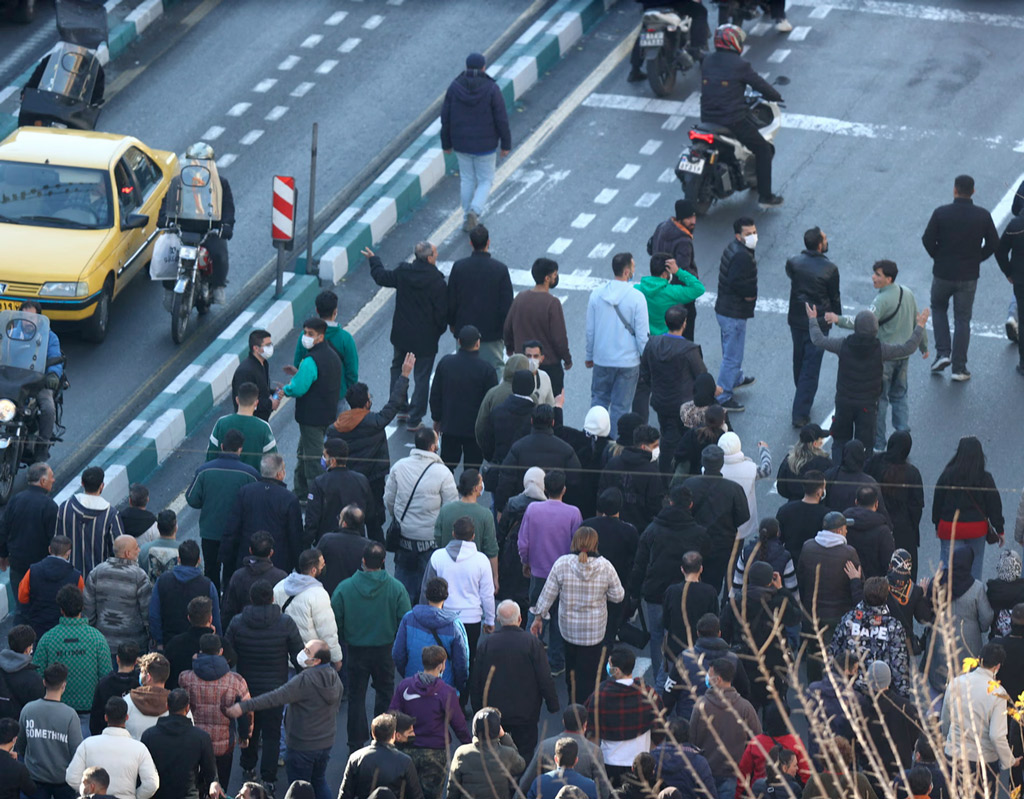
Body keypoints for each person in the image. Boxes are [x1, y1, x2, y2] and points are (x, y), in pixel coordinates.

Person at [826, 261, 929, 450]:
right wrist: (924, 345)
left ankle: (879, 444)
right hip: (902, 357)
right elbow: (918, 321)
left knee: (880, 401)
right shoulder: (907, 293)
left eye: (878, 275)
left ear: (888, 279)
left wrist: (837, 319)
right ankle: (902, 437)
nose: (873, 277)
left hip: (885, 358)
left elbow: (863, 322)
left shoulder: (881, 301)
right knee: (900, 396)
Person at [807, 303, 928, 459]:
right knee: (865, 446)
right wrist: (920, 326)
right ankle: (862, 475)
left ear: (856, 328)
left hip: (844, 403)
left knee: (840, 441)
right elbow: (907, 348)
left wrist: (812, 319)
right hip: (867, 407)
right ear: (875, 330)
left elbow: (818, 340)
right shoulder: (881, 350)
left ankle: (836, 474)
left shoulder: (842, 345)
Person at [227, 640, 342, 799]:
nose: (302, 652)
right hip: (325, 742)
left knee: (299, 789)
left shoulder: (304, 680)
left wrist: (244, 706)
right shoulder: (334, 678)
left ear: (316, 661)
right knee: (319, 781)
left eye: (307, 651)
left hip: (302, 745)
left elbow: (275, 697)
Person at [531, 527, 624, 704]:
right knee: (590, 674)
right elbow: (618, 596)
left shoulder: (562, 564)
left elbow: (547, 594)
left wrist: (538, 618)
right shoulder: (606, 566)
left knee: (571, 670)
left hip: (569, 630)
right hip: (594, 632)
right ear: (595, 544)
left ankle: (573, 704)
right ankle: (589, 708)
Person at [331, 542, 411, 751]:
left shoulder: (345, 588)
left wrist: (344, 637)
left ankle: (356, 743)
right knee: (385, 694)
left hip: (356, 650)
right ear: (384, 561)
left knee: (356, 697)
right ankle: (383, 737)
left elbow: (335, 620)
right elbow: (405, 620)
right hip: (385, 650)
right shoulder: (396, 588)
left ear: (363, 561)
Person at [225, 579, 301, 792]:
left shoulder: (238, 622)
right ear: (272, 598)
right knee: (272, 733)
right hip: (276, 688)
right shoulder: (285, 622)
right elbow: (298, 654)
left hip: (246, 687)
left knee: (249, 729)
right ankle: (269, 777)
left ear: (251, 598)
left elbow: (228, 654)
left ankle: (248, 767)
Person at [328, 357, 414, 543]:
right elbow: (394, 404)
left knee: (353, 519)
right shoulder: (375, 422)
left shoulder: (335, 428)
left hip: (348, 480)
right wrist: (404, 375)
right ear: (367, 403)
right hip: (374, 479)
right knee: (375, 522)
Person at [923, 174, 1000, 382]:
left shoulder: (941, 213)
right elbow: (994, 244)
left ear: (954, 189)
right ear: (973, 191)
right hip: (968, 276)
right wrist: (977, 259)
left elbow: (927, 239)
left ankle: (942, 353)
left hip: (943, 273)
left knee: (938, 309)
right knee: (962, 319)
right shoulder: (982, 216)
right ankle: (959, 367)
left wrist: (938, 256)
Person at [630, 486, 711, 681]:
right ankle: (683, 677)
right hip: (686, 593)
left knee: (657, 635)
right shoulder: (699, 533)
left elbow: (639, 563)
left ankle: (661, 677)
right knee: (684, 634)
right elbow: (707, 558)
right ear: (690, 505)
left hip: (656, 591)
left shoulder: (652, 529)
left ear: (670, 502)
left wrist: (634, 591)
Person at [365, 243, 447, 431]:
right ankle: (415, 418)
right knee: (422, 377)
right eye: (435, 253)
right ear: (429, 258)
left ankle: (400, 406)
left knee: (398, 369)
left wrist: (374, 260)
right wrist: (437, 332)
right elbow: (443, 313)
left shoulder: (403, 272)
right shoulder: (437, 282)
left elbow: (381, 277)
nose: (437, 254)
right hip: (426, 340)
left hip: (402, 336)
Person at [700, 25, 784, 207]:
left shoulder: (707, 61)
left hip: (707, 119)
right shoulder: (740, 65)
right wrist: (776, 96)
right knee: (763, 149)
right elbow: (760, 85)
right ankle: (766, 197)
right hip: (732, 120)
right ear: (734, 42)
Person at [472, 600, 559, 760]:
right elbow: (544, 677)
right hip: (526, 712)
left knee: (494, 754)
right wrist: (552, 703)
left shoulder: (486, 644)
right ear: (519, 619)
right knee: (525, 752)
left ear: (498, 620)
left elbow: (476, 679)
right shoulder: (532, 643)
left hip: (494, 713)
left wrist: (477, 708)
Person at [518, 469, 582, 676]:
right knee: (558, 618)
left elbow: (523, 542)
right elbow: (577, 546)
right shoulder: (573, 513)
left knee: (536, 612)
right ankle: (556, 661)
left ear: (544, 488)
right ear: (564, 489)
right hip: (564, 574)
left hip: (539, 572)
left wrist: (525, 562)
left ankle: (529, 657)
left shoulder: (533, 509)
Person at [385, 428, 459, 602]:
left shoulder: (399, 466)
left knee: (403, 591)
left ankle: (403, 623)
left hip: (404, 538)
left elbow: (389, 499)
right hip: (430, 541)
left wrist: (398, 518)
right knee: (431, 592)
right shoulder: (443, 473)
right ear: (434, 447)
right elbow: (451, 508)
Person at [441, 52, 512, 232]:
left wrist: (446, 143)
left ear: (466, 67)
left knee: (466, 179)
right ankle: (475, 210)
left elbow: (445, 118)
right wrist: (506, 144)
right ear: (483, 68)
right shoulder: (491, 88)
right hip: (486, 146)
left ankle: (467, 217)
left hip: (461, 144)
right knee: (486, 180)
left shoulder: (454, 87)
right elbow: (501, 119)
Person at [635, 304, 708, 473]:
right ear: (684, 324)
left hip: (662, 402)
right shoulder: (689, 349)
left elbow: (644, 371)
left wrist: (655, 387)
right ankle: (686, 473)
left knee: (667, 440)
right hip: (685, 406)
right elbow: (702, 376)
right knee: (689, 440)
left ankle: (666, 477)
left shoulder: (653, 343)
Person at [940, 643, 1020, 797]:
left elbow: (946, 720)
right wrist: (1010, 761)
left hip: (954, 755)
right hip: (982, 762)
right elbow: (996, 735)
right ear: (997, 666)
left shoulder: (955, 683)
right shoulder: (998, 693)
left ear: (979, 659)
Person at [160, 141, 234, 305]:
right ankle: (168, 288)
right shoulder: (177, 182)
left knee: (219, 253)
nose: (197, 166)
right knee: (168, 255)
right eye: (193, 162)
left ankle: (217, 287)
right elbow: (167, 202)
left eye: (202, 162)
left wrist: (226, 226)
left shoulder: (221, 184)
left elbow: (228, 208)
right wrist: (164, 218)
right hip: (183, 230)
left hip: (208, 232)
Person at [186, 430, 260, 590]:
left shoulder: (204, 471)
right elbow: (256, 503)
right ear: (240, 449)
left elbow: (192, 499)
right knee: (232, 572)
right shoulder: (250, 474)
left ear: (221, 446)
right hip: (236, 533)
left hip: (210, 532)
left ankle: (211, 604)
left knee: (211, 570)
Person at [421, 517, 495, 678]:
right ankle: (462, 698)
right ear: (473, 536)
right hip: (472, 620)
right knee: (467, 663)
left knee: (440, 661)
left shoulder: (437, 557)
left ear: (453, 534)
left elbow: (426, 590)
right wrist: (490, 620)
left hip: (442, 619)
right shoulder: (482, 560)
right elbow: (487, 594)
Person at [796, 511, 864, 683]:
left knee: (814, 652)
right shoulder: (848, 553)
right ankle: (838, 686)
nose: (847, 532)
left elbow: (801, 581)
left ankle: (814, 686)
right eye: (845, 529)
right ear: (839, 530)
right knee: (840, 653)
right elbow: (857, 583)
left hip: (813, 613)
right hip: (839, 614)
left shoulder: (808, 547)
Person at [585, 252, 650, 432]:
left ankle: (594, 440)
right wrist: (646, 360)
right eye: (634, 268)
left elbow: (590, 331)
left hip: (602, 359)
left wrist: (589, 355)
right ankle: (614, 447)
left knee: (598, 402)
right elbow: (642, 336)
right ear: (627, 271)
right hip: (628, 362)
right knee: (621, 408)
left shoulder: (597, 295)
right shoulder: (637, 297)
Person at [390, 644, 471, 786]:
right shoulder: (447, 692)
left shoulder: (404, 686)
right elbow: (459, 724)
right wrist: (470, 746)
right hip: (436, 752)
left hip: (407, 749)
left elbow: (392, 716)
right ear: (441, 666)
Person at [177, 635, 251, 790]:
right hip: (224, 745)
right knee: (220, 788)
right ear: (221, 651)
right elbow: (246, 712)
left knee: (195, 788)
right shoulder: (236, 681)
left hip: (194, 743)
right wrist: (245, 735)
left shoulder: (185, 678)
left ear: (200, 651)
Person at [785, 227, 841, 427]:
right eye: (824, 238)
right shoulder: (830, 269)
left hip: (797, 319)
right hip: (818, 321)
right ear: (819, 244)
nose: (826, 241)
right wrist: (837, 316)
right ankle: (800, 411)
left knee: (799, 359)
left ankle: (802, 394)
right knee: (811, 366)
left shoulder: (794, 263)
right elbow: (834, 296)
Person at [282, 318, 343, 497]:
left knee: (313, 459)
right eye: (305, 333)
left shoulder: (310, 361)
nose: (306, 337)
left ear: (320, 337)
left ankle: (316, 496)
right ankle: (300, 492)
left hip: (311, 418)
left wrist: (284, 390)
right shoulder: (332, 355)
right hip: (328, 414)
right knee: (303, 452)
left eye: (310, 334)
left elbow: (299, 388)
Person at [923, 546, 994, 698]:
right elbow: (986, 617)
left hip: (941, 643)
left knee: (941, 687)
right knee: (968, 689)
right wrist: (980, 628)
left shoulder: (937, 583)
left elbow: (928, 612)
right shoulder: (976, 588)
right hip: (969, 645)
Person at [584, 648, 662, 784]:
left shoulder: (602, 694)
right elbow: (659, 730)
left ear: (617, 670)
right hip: (641, 763)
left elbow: (590, 731)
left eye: (610, 664)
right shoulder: (648, 694)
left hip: (610, 762)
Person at [221, 453, 304, 579]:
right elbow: (295, 536)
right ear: (279, 474)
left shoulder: (245, 492)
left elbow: (233, 527)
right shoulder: (289, 499)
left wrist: (227, 558)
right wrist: (299, 567)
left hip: (247, 561)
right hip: (278, 565)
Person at [681, 444, 750, 596]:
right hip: (722, 544)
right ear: (721, 463)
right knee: (714, 583)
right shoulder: (733, 488)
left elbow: (683, 510)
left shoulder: (689, 485)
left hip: (694, 542)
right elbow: (743, 516)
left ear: (703, 462)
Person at [688, 657, 761, 799]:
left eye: (710, 674)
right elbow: (757, 740)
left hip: (706, 772)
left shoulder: (701, 706)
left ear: (718, 679)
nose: (707, 677)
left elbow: (692, 739)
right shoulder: (745, 708)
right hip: (734, 774)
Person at [932, 436, 1003, 580]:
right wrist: (999, 529)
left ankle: (948, 599)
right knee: (975, 570)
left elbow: (938, 502)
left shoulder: (947, 475)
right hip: (976, 529)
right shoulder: (984, 478)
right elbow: (994, 504)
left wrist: (936, 524)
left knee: (948, 569)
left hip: (949, 527)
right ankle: (973, 600)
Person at [827, 576, 911, 697]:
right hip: (880, 693)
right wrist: (903, 700)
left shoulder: (848, 619)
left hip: (851, 692)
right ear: (886, 598)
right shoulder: (893, 626)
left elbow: (834, 653)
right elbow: (899, 664)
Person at [33, 586, 110, 715]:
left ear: (61, 610)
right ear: (82, 607)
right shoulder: (97, 639)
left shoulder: (48, 639)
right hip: (89, 710)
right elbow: (105, 677)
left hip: (56, 710)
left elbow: (37, 676)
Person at [430, 325, 499, 469]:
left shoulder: (446, 363)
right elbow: (491, 402)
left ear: (459, 342)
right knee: (472, 469)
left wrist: (437, 418)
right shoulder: (487, 369)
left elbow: (436, 394)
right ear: (478, 343)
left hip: (450, 427)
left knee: (446, 467)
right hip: (475, 430)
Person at [65, 696, 159, 799]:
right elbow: (152, 784)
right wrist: (136, 796)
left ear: (106, 717)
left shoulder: (87, 744)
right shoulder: (139, 748)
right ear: (127, 717)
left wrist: (88, 793)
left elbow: (72, 778)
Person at [448, 225, 514, 370]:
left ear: (471, 243)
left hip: (464, 332)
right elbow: (507, 306)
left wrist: (453, 324)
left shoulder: (459, 267)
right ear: (488, 242)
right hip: (492, 333)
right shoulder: (500, 269)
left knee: (463, 369)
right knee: (494, 368)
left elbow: (451, 300)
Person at [504, 258, 573, 396]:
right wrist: (567, 359)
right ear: (547, 278)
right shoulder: (552, 303)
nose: (556, 277)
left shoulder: (520, 298)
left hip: (522, 364)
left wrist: (510, 348)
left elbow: (507, 327)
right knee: (551, 406)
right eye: (554, 275)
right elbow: (559, 337)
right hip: (549, 366)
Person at [496, 404, 582, 515]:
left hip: (523, 510)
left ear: (532, 421)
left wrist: (500, 508)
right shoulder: (566, 450)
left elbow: (506, 481)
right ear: (552, 423)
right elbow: (575, 483)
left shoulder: (518, 448)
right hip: (555, 512)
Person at [713, 218, 760, 413]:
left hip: (726, 309)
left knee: (730, 350)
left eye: (754, 232)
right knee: (732, 356)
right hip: (733, 312)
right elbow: (735, 282)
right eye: (748, 234)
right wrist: (749, 295)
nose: (753, 236)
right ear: (738, 236)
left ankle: (736, 378)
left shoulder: (735, 248)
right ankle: (723, 396)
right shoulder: (741, 256)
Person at [582, 489, 638, 648]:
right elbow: (634, 559)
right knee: (611, 624)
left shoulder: (587, 525)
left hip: (589, 580)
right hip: (617, 583)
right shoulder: (629, 531)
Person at [393, 577, 470, 692]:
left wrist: (407, 674)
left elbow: (398, 654)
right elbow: (461, 662)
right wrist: (459, 686)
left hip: (413, 682)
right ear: (445, 596)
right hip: (443, 686)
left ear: (426, 595)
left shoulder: (409, 618)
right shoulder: (454, 626)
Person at [0, 462, 57, 616]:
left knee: (21, 607)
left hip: (17, 564)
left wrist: (3, 555)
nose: (54, 480)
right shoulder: (50, 506)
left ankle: (21, 636)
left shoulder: (15, 500)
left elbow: (4, 529)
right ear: (43, 481)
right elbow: (54, 539)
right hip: (41, 566)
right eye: (51, 477)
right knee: (40, 608)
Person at [866, 431, 925, 580]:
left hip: (876, 523)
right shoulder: (912, 473)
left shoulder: (875, 463)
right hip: (903, 530)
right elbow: (916, 505)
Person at [140, 688, 218, 799]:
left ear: (167, 706)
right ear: (187, 708)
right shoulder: (201, 737)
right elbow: (210, 772)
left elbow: (143, 771)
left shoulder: (149, 735)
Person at [16, 662, 79, 799]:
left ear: (44, 682)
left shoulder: (28, 710)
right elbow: (77, 751)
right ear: (64, 685)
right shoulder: (70, 715)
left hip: (35, 778)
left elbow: (20, 745)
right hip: (63, 780)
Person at [520, 705, 610, 799]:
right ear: (585, 725)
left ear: (563, 721)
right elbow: (603, 788)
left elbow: (526, 782)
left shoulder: (545, 746)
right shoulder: (594, 751)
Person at [287, 290, 358, 407]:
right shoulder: (346, 339)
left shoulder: (305, 336)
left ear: (317, 310)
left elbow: (298, 364)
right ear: (335, 311)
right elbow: (352, 373)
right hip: (337, 397)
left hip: (310, 398)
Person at [274, 548, 342, 668]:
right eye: (322, 564)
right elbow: (327, 631)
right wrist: (336, 658)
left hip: (286, 656)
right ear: (314, 570)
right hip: (311, 659)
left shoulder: (280, 587)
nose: (324, 566)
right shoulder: (318, 594)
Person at [84, 535, 150, 657]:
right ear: (127, 553)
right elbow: (146, 611)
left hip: (103, 643)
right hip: (133, 645)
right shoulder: (139, 576)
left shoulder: (97, 572)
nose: (139, 550)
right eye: (136, 548)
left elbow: (88, 609)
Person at [150, 539, 221, 651]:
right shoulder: (208, 585)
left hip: (169, 644)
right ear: (198, 560)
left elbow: (154, 615)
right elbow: (216, 619)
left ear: (179, 559)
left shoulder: (162, 581)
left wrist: (159, 642)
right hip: (200, 647)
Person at [56, 466, 124, 577]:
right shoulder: (110, 515)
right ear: (102, 486)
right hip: (99, 578)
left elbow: (56, 540)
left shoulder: (65, 507)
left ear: (82, 483)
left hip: (67, 577)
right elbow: (119, 550)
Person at [649, 203, 703, 340]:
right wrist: (693, 276)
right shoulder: (684, 241)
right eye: (689, 218)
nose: (693, 221)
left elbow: (650, 248)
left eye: (694, 217)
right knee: (686, 339)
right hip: (679, 298)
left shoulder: (662, 227)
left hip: (660, 285)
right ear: (680, 219)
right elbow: (683, 270)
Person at [446, 707, 526, 799]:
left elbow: (453, 786)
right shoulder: (507, 753)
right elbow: (520, 766)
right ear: (498, 729)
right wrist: (504, 737)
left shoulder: (462, 753)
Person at [303, 438, 372, 543]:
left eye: (325, 456)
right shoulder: (361, 480)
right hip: (357, 541)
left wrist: (305, 546)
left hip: (327, 542)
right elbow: (371, 516)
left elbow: (312, 520)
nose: (322, 459)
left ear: (333, 460)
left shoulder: (320, 483)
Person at [599, 424, 664, 535]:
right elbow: (655, 506)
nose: (657, 449)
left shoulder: (613, 464)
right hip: (640, 530)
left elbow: (601, 493)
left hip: (611, 527)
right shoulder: (652, 472)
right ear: (643, 447)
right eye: (655, 446)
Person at [339, 713, 423, 799]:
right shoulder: (405, 762)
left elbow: (345, 794)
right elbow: (416, 795)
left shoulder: (355, 758)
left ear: (373, 733)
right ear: (394, 735)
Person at [479, 371, 536, 496]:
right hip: (527, 474)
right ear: (532, 387)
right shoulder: (536, 415)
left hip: (499, 469)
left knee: (497, 506)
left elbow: (486, 439)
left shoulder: (497, 411)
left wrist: (493, 458)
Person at [17, 535, 82, 640]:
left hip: (38, 627)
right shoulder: (76, 576)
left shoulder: (32, 571)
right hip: (64, 631)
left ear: (49, 549)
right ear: (68, 552)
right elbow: (80, 603)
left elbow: (22, 597)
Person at [735, 706, 811, 795]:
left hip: (761, 792)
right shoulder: (794, 742)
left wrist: (738, 795)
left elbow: (743, 773)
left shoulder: (756, 743)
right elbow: (805, 774)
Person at [220, 531, 287, 631]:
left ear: (250, 550)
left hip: (244, 632)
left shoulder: (238, 576)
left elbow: (228, 610)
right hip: (274, 633)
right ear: (271, 553)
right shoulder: (281, 577)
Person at [206, 384, 277, 473]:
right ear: (256, 403)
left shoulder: (221, 423)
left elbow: (210, 458)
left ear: (237, 400)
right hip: (253, 484)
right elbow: (273, 463)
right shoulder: (264, 428)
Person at [634, 251, 705, 339]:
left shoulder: (637, 290)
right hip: (665, 340)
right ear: (664, 274)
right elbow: (699, 288)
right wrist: (678, 271)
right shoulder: (672, 292)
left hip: (646, 339)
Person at [165, 597, 228, 691]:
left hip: (181, 696)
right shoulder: (222, 644)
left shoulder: (174, 644)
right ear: (210, 619)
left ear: (189, 618)